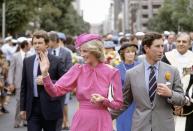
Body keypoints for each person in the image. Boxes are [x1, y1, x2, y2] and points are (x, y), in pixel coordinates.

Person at [40, 33, 123, 131]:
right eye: (80, 51)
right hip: (82, 121)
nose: (82, 54)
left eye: (85, 51)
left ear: (95, 51)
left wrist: (104, 100)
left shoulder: (112, 72)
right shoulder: (78, 69)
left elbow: (118, 104)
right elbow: (55, 91)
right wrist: (45, 73)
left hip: (102, 121)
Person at [111, 32, 190, 131]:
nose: (161, 50)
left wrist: (170, 93)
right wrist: (106, 116)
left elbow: (182, 99)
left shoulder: (172, 71)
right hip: (140, 126)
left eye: (162, 46)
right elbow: (124, 102)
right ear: (146, 48)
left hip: (164, 126)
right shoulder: (132, 74)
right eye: (157, 46)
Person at [19, 30, 66, 131]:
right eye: (35, 43)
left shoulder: (57, 61)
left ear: (47, 44)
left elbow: (64, 84)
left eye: (40, 43)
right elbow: (24, 86)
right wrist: (22, 108)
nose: (37, 46)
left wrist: (47, 81)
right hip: (32, 107)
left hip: (51, 107)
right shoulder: (28, 61)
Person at [162, 32, 193, 131]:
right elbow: (161, 80)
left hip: (189, 103)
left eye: (184, 41)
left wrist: (185, 100)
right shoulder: (167, 57)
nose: (181, 43)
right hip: (168, 103)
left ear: (190, 44)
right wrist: (175, 100)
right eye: (179, 41)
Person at [48, 31, 72, 130]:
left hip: (63, 84)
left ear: (54, 41)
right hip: (49, 84)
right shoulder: (47, 52)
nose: (47, 43)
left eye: (48, 41)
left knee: (62, 104)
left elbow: (69, 68)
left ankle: (62, 122)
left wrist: (63, 81)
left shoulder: (66, 52)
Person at [116, 43, 139, 131]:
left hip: (138, 103)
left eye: (133, 52)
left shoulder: (141, 66)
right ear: (123, 54)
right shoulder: (117, 69)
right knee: (124, 126)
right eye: (128, 52)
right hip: (123, 103)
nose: (131, 54)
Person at [7, 37, 30, 128]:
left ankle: (25, 120)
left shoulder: (30, 55)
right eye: (29, 45)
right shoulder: (15, 56)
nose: (30, 46)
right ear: (25, 46)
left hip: (29, 83)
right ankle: (17, 121)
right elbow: (11, 70)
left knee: (28, 102)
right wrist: (11, 82)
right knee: (19, 102)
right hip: (18, 82)